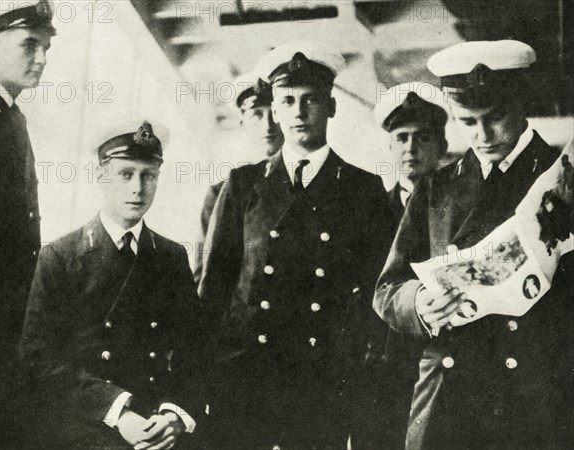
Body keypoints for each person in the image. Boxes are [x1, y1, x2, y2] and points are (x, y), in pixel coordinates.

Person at [374, 40, 573, 449]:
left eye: (495, 118)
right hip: (452, 393)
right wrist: (419, 303)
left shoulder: (561, 179)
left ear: (521, 103)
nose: (482, 135)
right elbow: (387, 288)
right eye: (467, 121)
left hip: (539, 389)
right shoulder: (433, 189)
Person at [198, 41, 395, 449]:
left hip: (320, 384)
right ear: (276, 108)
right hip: (244, 380)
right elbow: (213, 290)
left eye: (311, 100)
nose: (299, 111)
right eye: (287, 101)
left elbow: (379, 294)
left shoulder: (363, 190)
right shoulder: (242, 185)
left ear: (331, 106)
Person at [19, 121, 208, 449]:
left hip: (158, 427)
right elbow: (39, 358)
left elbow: (194, 351)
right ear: (101, 176)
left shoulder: (170, 257)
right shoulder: (60, 257)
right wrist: (119, 411)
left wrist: (174, 415)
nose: (137, 188)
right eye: (126, 174)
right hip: (86, 424)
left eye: (148, 176)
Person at [0, 1, 56, 447]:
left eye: (46, 47)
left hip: (5, 326)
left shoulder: (9, 116)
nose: (41, 58)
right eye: (30, 44)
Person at [193, 72, 283, 282]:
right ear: (243, 123)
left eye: (275, 113)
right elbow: (204, 272)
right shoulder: (222, 192)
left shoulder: (311, 181)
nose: (268, 125)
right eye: (256, 115)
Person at [375, 82, 448, 225]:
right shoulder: (376, 210)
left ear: (442, 148)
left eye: (423, 138)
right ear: (391, 147)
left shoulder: (460, 202)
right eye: (402, 138)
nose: (410, 147)